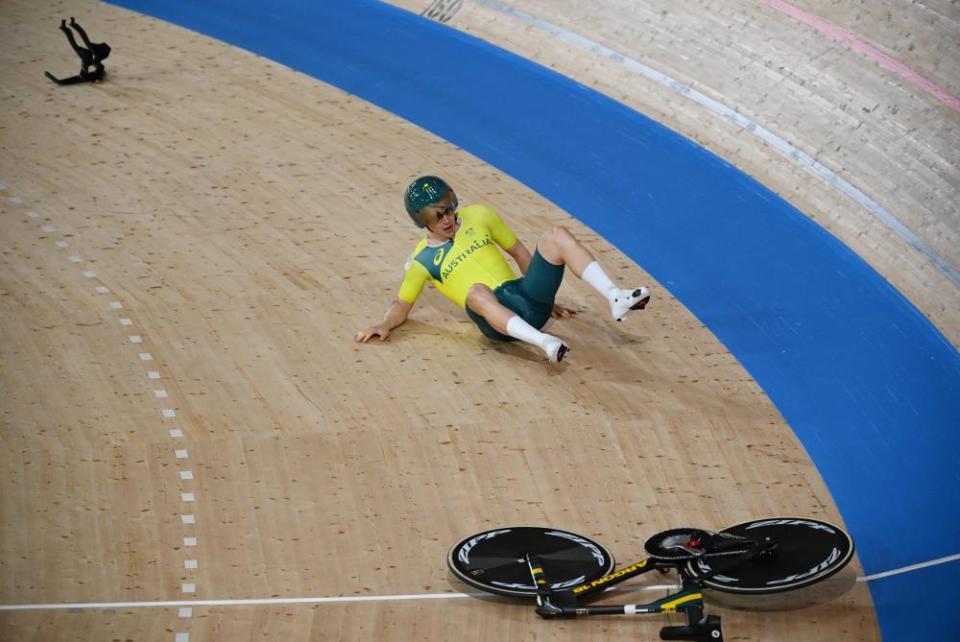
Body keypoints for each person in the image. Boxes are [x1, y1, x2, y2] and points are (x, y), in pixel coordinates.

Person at [354, 176, 650, 362]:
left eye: (449, 210)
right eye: (437, 217)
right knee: (476, 292)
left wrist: (548, 297)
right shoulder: (422, 261)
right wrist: (384, 324)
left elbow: (519, 252)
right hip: (494, 322)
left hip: (526, 298)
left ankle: (615, 296)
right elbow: (402, 305)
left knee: (556, 235)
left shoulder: (480, 215)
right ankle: (544, 342)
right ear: (423, 222)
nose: (447, 220)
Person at [45, 18, 111, 86]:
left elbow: (99, 67)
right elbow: (98, 68)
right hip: (92, 58)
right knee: (79, 46)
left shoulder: (95, 61)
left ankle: (67, 27)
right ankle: (66, 28)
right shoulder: (94, 62)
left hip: (92, 57)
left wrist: (75, 25)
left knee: (81, 45)